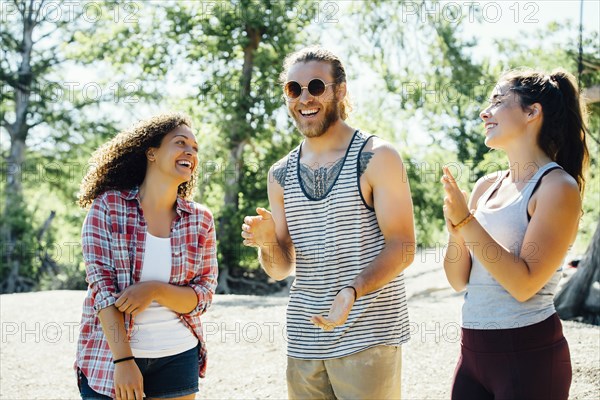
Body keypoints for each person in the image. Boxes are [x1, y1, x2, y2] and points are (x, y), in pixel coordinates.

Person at [241, 46, 416, 399]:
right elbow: (281, 268)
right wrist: (267, 244)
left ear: (340, 90)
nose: (305, 97)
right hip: (304, 343)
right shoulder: (279, 174)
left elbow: (403, 246)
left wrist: (352, 291)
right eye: (294, 89)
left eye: (316, 86)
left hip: (368, 336)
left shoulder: (377, 156)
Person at [441, 68, 589, 400]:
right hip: (472, 352)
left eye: (497, 101)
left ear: (532, 112)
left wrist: (467, 223)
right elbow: (457, 279)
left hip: (528, 356)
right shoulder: (485, 187)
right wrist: (455, 228)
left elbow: (523, 284)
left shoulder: (556, 187)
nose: (485, 111)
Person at [75, 113, 218, 400]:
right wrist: (124, 361)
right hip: (112, 357)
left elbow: (202, 296)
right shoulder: (109, 207)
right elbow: (102, 290)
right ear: (151, 153)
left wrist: (153, 290)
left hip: (178, 355)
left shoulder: (200, 219)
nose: (190, 151)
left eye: (195, 148)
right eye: (180, 143)